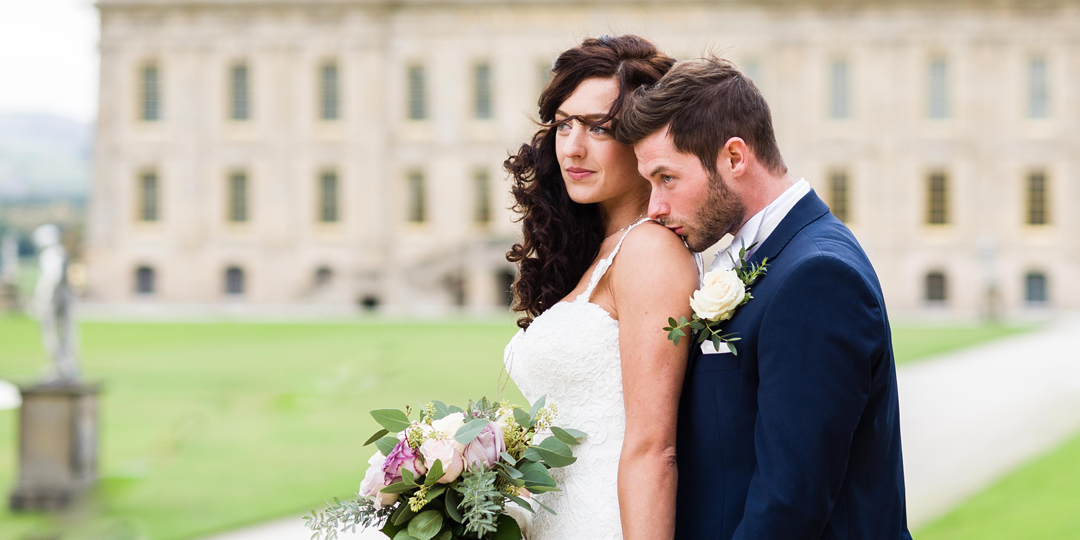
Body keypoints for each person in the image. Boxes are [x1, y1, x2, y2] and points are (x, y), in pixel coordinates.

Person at [616, 56, 912, 540]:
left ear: (735, 157)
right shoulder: (772, 256)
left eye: (666, 178)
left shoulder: (817, 276)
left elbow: (789, 504)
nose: (655, 207)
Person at [502, 35, 700, 540]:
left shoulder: (650, 251)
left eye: (598, 128)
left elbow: (655, 448)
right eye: (564, 124)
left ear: (644, 137)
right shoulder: (599, 250)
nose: (572, 147)